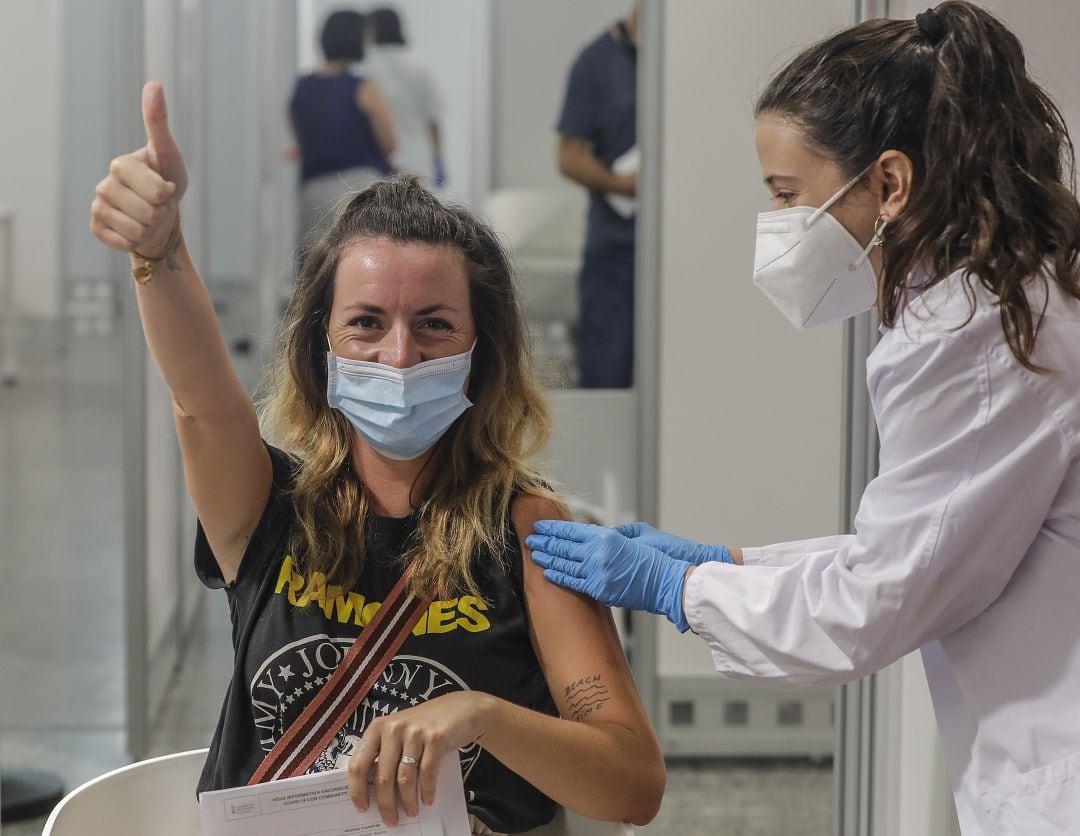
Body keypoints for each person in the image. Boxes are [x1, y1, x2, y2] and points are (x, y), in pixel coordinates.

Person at [528, 3, 1080, 833]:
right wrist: (731, 564)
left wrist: (679, 587)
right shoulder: (1004, 294)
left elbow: (877, 603)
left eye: (789, 196)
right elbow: (920, 545)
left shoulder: (969, 334)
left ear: (889, 184)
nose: (780, 227)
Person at [89, 82, 665, 835]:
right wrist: (159, 249)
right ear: (320, 347)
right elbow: (201, 399)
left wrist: (480, 716)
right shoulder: (267, 509)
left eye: (433, 324)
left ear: (479, 351)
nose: (399, 356)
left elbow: (632, 784)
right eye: (366, 322)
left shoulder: (530, 532)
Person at [556, 5, 638, 389]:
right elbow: (568, 156)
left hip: (682, 249)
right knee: (607, 375)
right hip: (615, 249)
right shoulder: (597, 61)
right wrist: (622, 185)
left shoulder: (687, 62)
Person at [290, 10, 397, 246]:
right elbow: (389, 143)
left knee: (318, 266)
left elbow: (300, 139)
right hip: (360, 185)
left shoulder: (301, 88)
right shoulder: (364, 87)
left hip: (313, 188)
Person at [362, 7, 446, 187]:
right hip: (418, 163)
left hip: (379, 165)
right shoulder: (419, 65)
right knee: (418, 213)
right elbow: (432, 119)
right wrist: (438, 158)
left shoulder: (365, 68)